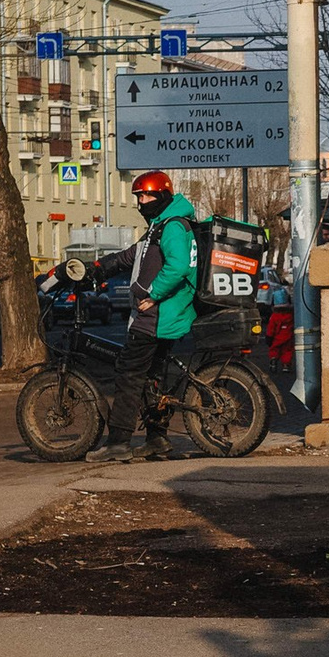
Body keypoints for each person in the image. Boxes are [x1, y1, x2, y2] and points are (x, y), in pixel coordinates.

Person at [102, 170, 200, 461]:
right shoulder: (161, 225)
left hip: (158, 315)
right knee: (152, 378)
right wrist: (96, 268)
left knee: (129, 376)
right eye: (139, 196)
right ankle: (157, 439)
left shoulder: (172, 226)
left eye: (147, 195)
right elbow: (130, 257)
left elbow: (178, 266)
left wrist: (153, 294)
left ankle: (118, 443)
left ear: (163, 195)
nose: (142, 202)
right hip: (160, 315)